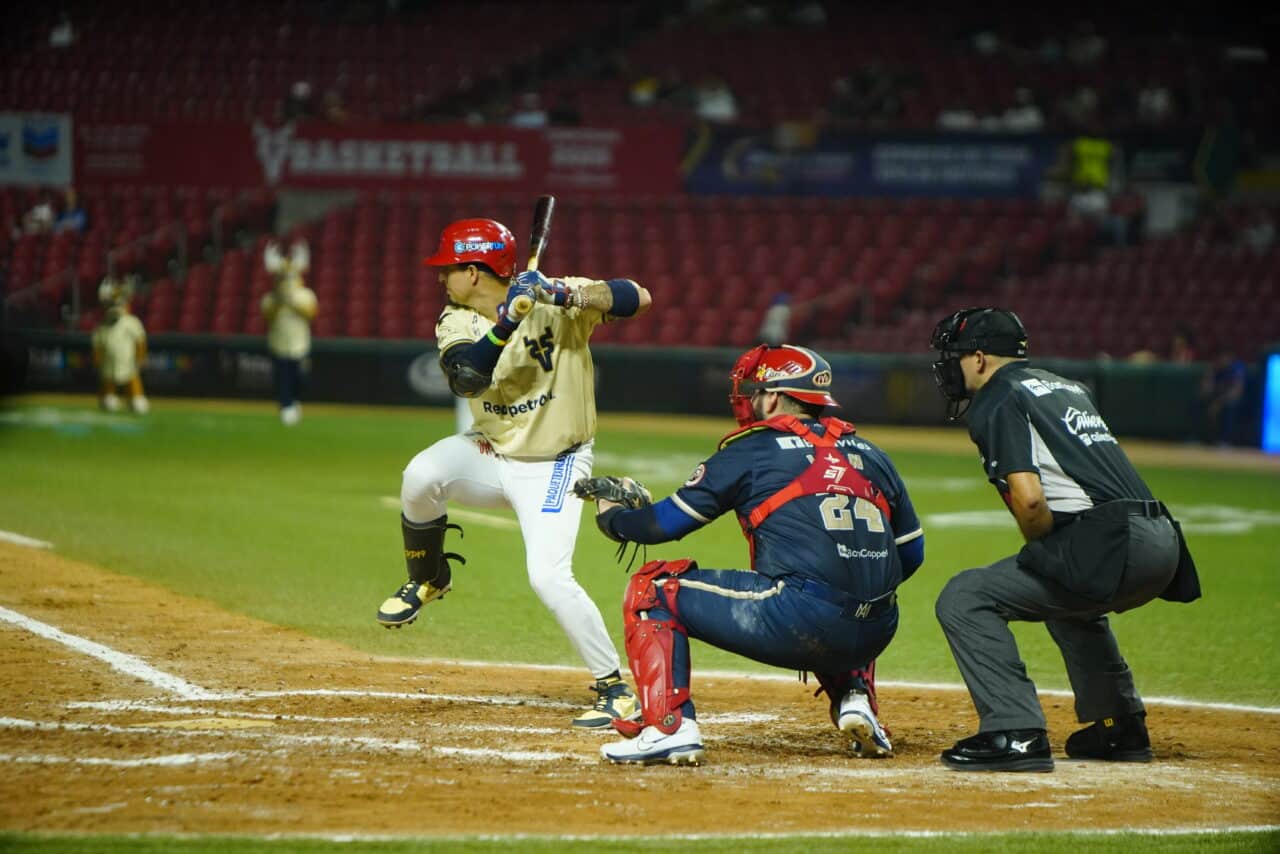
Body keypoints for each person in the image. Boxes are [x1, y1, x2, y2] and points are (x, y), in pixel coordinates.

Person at [580, 344, 924, 765]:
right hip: (876, 631)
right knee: (848, 590)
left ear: (775, 396)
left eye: (755, 390)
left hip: (800, 616)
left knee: (653, 591)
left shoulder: (753, 449)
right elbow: (912, 556)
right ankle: (855, 698)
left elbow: (663, 526)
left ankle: (668, 729)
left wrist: (612, 516)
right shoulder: (873, 454)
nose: (748, 400)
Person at [376, 218, 652, 730]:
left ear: (477, 271)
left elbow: (638, 296)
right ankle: (429, 577)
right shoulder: (455, 319)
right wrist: (507, 322)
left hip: (555, 461)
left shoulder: (557, 298)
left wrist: (558, 295)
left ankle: (615, 688)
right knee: (420, 476)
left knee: (548, 576)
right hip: (492, 451)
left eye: (451, 269)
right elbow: (466, 376)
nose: (442, 278)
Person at [928, 308, 1200, 773]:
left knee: (964, 597)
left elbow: (1031, 503)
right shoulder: (1068, 387)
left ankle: (1015, 732)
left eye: (952, 357)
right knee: (1064, 589)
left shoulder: (998, 395)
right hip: (1164, 540)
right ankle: (1121, 726)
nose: (948, 367)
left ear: (978, 359)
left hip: (1114, 545)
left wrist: (1041, 541)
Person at [261, 239, 318, 426]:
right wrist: (280, 301)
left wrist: (292, 302)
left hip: (300, 344)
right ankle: (285, 406)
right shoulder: (271, 298)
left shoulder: (305, 295)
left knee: (300, 378)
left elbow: (311, 312)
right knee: (282, 379)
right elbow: (267, 314)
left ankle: (295, 402)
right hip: (279, 344)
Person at [91, 277, 148, 414]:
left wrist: (141, 357)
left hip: (128, 360)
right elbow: (98, 345)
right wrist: (97, 359)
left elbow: (139, 340)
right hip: (108, 363)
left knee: (131, 377)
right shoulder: (101, 327)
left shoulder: (130, 322)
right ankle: (109, 397)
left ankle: (136, 398)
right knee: (108, 379)